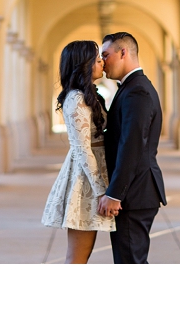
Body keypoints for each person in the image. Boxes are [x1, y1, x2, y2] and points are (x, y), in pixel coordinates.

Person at [96, 31, 167, 264]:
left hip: (134, 194)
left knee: (130, 263)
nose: (102, 62)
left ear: (123, 52)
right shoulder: (130, 87)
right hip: (136, 192)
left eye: (105, 55)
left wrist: (116, 194)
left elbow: (132, 145)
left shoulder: (137, 90)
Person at [42, 39, 114, 263]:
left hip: (97, 176)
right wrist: (102, 191)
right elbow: (82, 149)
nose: (101, 61)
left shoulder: (89, 95)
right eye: (96, 58)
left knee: (82, 255)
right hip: (85, 182)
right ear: (83, 64)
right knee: (77, 257)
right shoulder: (75, 99)